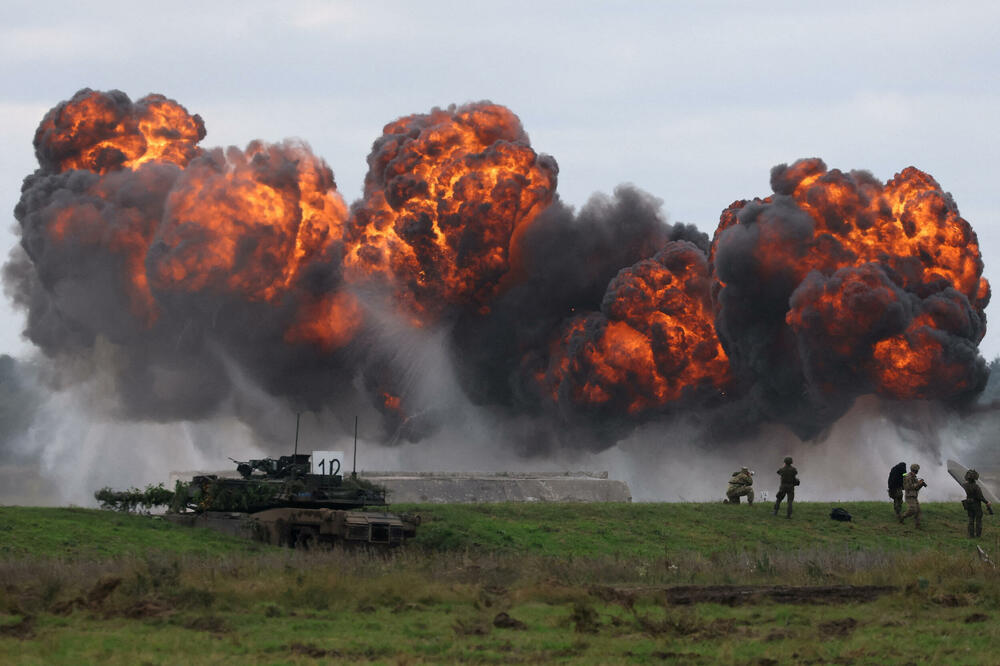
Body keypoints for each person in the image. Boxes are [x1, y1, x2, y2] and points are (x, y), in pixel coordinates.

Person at [961, 469, 993, 538]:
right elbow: (980, 497)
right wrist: (987, 502)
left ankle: (971, 535)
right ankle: (978, 536)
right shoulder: (976, 487)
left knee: (971, 520)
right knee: (978, 520)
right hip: (976, 505)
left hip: (968, 504)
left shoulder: (964, 486)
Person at [899, 463, 927, 528]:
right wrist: (918, 484)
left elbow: (916, 489)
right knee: (913, 509)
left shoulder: (914, 477)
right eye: (916, 470)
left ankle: (918, 525)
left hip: (914, 496)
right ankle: (902, 517)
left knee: (918, 511)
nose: (917, 472)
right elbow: (909, 487)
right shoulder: (907, 477)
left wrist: (921, 484)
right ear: (914, 470)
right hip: (909, 496)